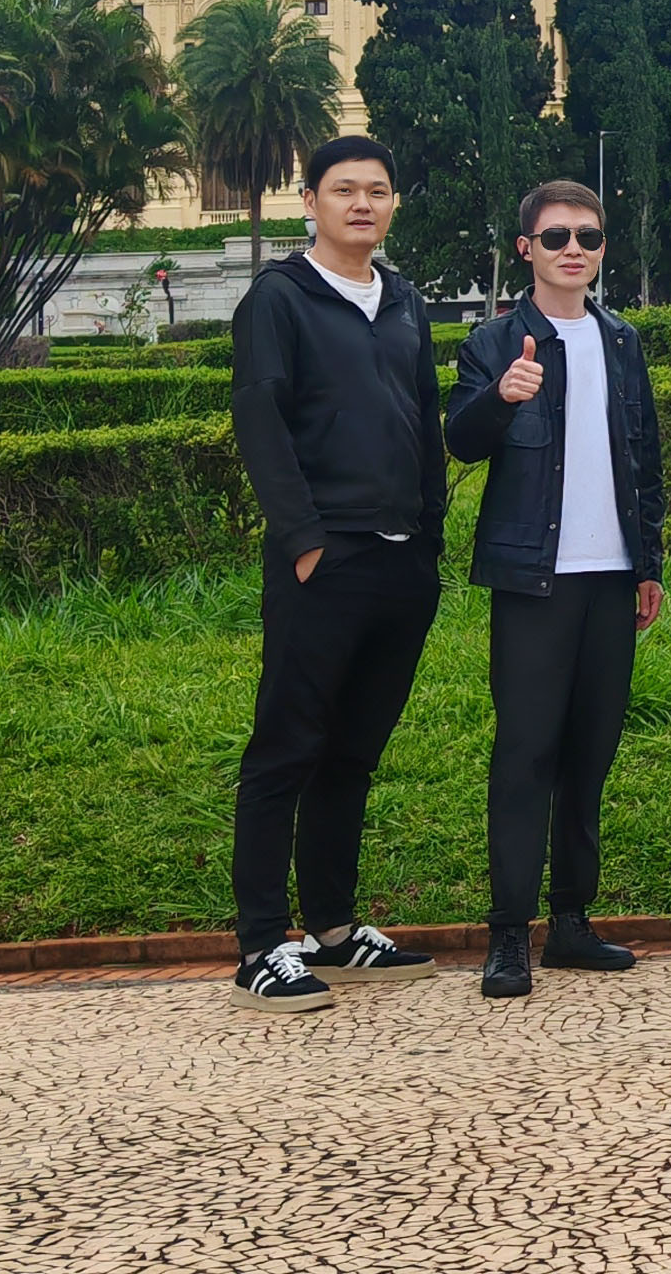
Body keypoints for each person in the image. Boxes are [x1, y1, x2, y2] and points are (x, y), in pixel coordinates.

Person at [224, 135, 450, 1012]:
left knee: (353, 753)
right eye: (345, 190)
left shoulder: (403, 300)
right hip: (324, 558)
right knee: (286, 746)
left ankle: (331, 927)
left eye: (378, 190)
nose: (363, 203)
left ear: (393, 205)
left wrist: (429, 538)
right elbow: (261, 423)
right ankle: (257, 945)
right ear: (308, 199)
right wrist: (305, 539)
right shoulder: (278, 299)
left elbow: (422, 417)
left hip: (401, 563)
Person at [445, 181, 668, 999]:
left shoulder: (621, 341)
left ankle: (572, 921)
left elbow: (642, 459)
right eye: (557, 237)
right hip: (533, 582)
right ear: (526, 250)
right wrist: (500, 399)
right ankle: (509, 934)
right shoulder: (497, 340)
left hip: (610, 580)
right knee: (525, 755)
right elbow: (459, 440)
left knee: (590, 755)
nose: (574, 249)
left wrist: (648, 564)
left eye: (589, 237)